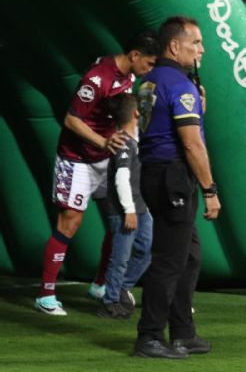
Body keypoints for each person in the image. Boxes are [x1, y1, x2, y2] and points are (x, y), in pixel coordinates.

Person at [37, 31, 159, 316]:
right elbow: (71, 119)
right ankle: (46, 294)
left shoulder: (129, 77)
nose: (150, 69)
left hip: (106, 157)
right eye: (149, 63)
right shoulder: (97, 78)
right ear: (135, 55)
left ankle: (101, 284)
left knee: (117, 220)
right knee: (71, 222)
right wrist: (103, 141)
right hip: (77, 158)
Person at [134, 17, 219, 359]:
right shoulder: (181, 86)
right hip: (173, 176)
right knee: (170, 260)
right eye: (196, 43)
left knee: (190, 254)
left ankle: (183, 331)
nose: (201, 50)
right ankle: (149, 336)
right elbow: (191, 144)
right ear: (174, 46)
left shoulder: (147, 81)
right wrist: (210, 190)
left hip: (152, 171)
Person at [93, 93, 153, 320]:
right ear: (136, 113)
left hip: (140, 207)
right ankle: (109, 302)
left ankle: (122, 288)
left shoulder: (132, 140)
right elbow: (121, 178)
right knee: (120, 257)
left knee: (146, 250)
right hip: (123, 210)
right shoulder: (124, 144)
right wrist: (128, 209)